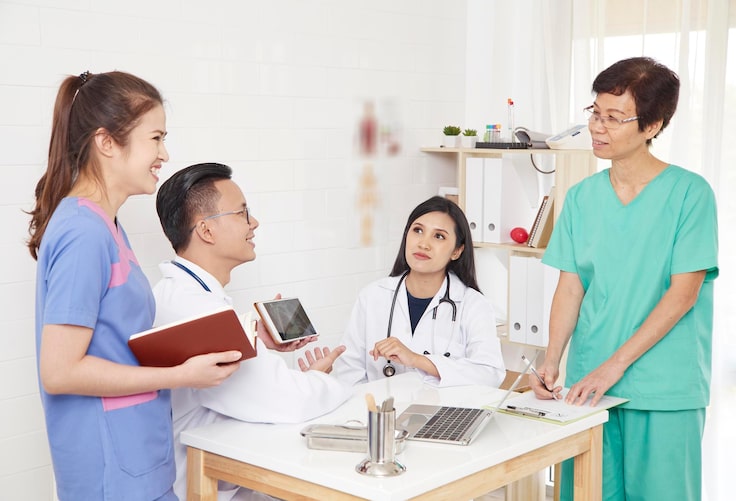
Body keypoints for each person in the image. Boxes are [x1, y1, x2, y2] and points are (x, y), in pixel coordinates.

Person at [28, 71, 241, 501]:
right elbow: (60, 371)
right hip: (111, 473)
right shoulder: (83, 232)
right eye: (155, 138)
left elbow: (112, 343)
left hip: (139, 460)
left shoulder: (106, 225)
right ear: (107, 142)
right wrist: (181, 375)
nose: (164, 154)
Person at [529, 57, 718, 501]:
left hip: (663, 386)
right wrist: (552, 360)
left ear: (653, 125)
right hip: (587, 387)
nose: (598, 127)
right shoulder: (581, 198)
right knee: (587, 494)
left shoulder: (690, 194)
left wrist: (614, 366)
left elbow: (683, 293)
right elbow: (571, 287)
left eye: (614, 118)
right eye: (595, 113)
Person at [153, 162, 352, 501]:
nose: (254, 223)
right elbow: (291, 400)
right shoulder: (200, 311)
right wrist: (332, 382)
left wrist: (252, 337)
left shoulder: (179, 295)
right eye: (242, 213)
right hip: (202, 485)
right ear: (206, 230)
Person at [334, 195, 506, 387]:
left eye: (439, 236)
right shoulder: (373, 296)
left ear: (457, 251)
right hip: (379, 406)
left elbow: (490, 374)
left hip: (446, 406)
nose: (423, 244)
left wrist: (417, 360)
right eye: (418, 230)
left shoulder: (473, 304)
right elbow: (348, 374)